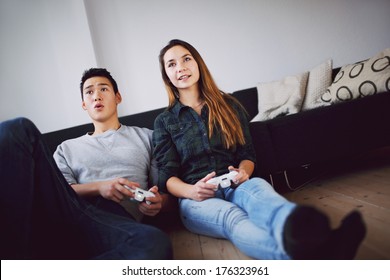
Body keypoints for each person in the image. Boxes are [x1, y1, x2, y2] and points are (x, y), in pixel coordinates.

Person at [152, 39, 366, 260]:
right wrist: (190, 191)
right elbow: (167, 177)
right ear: (167, 76)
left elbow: (247, 154)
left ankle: (321, 243)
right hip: (195, 199)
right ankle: (319, 255)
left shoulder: (230, 106)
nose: (181, 67)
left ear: (198, 63)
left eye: (186, 59)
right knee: (232, 218)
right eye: (171, 64)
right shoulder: (164, 121)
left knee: (266, 200)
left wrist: (244, 172)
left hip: (236, 183)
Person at [0, 68, 172, 260]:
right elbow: (60, 192)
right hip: (70, 213)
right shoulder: (66, 148)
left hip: (116, 222)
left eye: (103, 89)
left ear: (118, 97)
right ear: (84, 104)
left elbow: (165, 192)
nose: (96, 95)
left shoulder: (147, 136)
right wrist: (100, 187)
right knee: (17, 128)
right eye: (89, 92)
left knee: (153, 242)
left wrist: (159, 203)